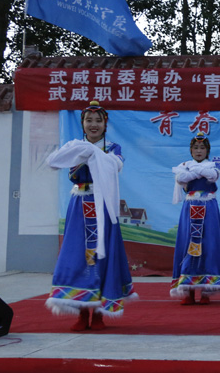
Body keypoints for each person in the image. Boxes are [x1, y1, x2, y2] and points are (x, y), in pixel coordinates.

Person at [45, 101, 137, 331]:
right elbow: (55, 163)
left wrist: (93, 154)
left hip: (103, 205)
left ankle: (98, 313)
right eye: (89, 120)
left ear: (106, 124)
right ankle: (81, 311)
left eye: (98, 120)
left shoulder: (113, 148)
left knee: (103, 257)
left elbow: (115, 167)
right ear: (82, 123)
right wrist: (82, 152)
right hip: (80, 205)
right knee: (77, 254)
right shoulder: (74, 146)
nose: (93, 125)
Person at [170, 132, 220, 304]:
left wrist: (194, 171)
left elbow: (213, 176)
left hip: (208, 207)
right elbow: (181, 178)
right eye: (195, 148)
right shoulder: (185, 166)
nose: (198, 151)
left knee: (209, 245)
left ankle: (206, 291)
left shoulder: (212, 166)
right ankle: (187, 290)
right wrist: (199, 172)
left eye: (202, 148)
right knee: (188, 243)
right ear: (191, 150)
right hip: (190, 207)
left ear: (207, 151)